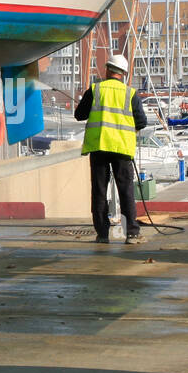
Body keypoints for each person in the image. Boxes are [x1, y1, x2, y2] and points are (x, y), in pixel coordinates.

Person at [74, 54, 149, 244]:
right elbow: (141, 121)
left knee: (99, 191)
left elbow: (79, 115)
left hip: (99, 146)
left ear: (107, 69)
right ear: (123, 74)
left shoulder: (95, 90)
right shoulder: (130, 94)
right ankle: (131, 233)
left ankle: (102, 234)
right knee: (126, 191)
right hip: (122, 148)